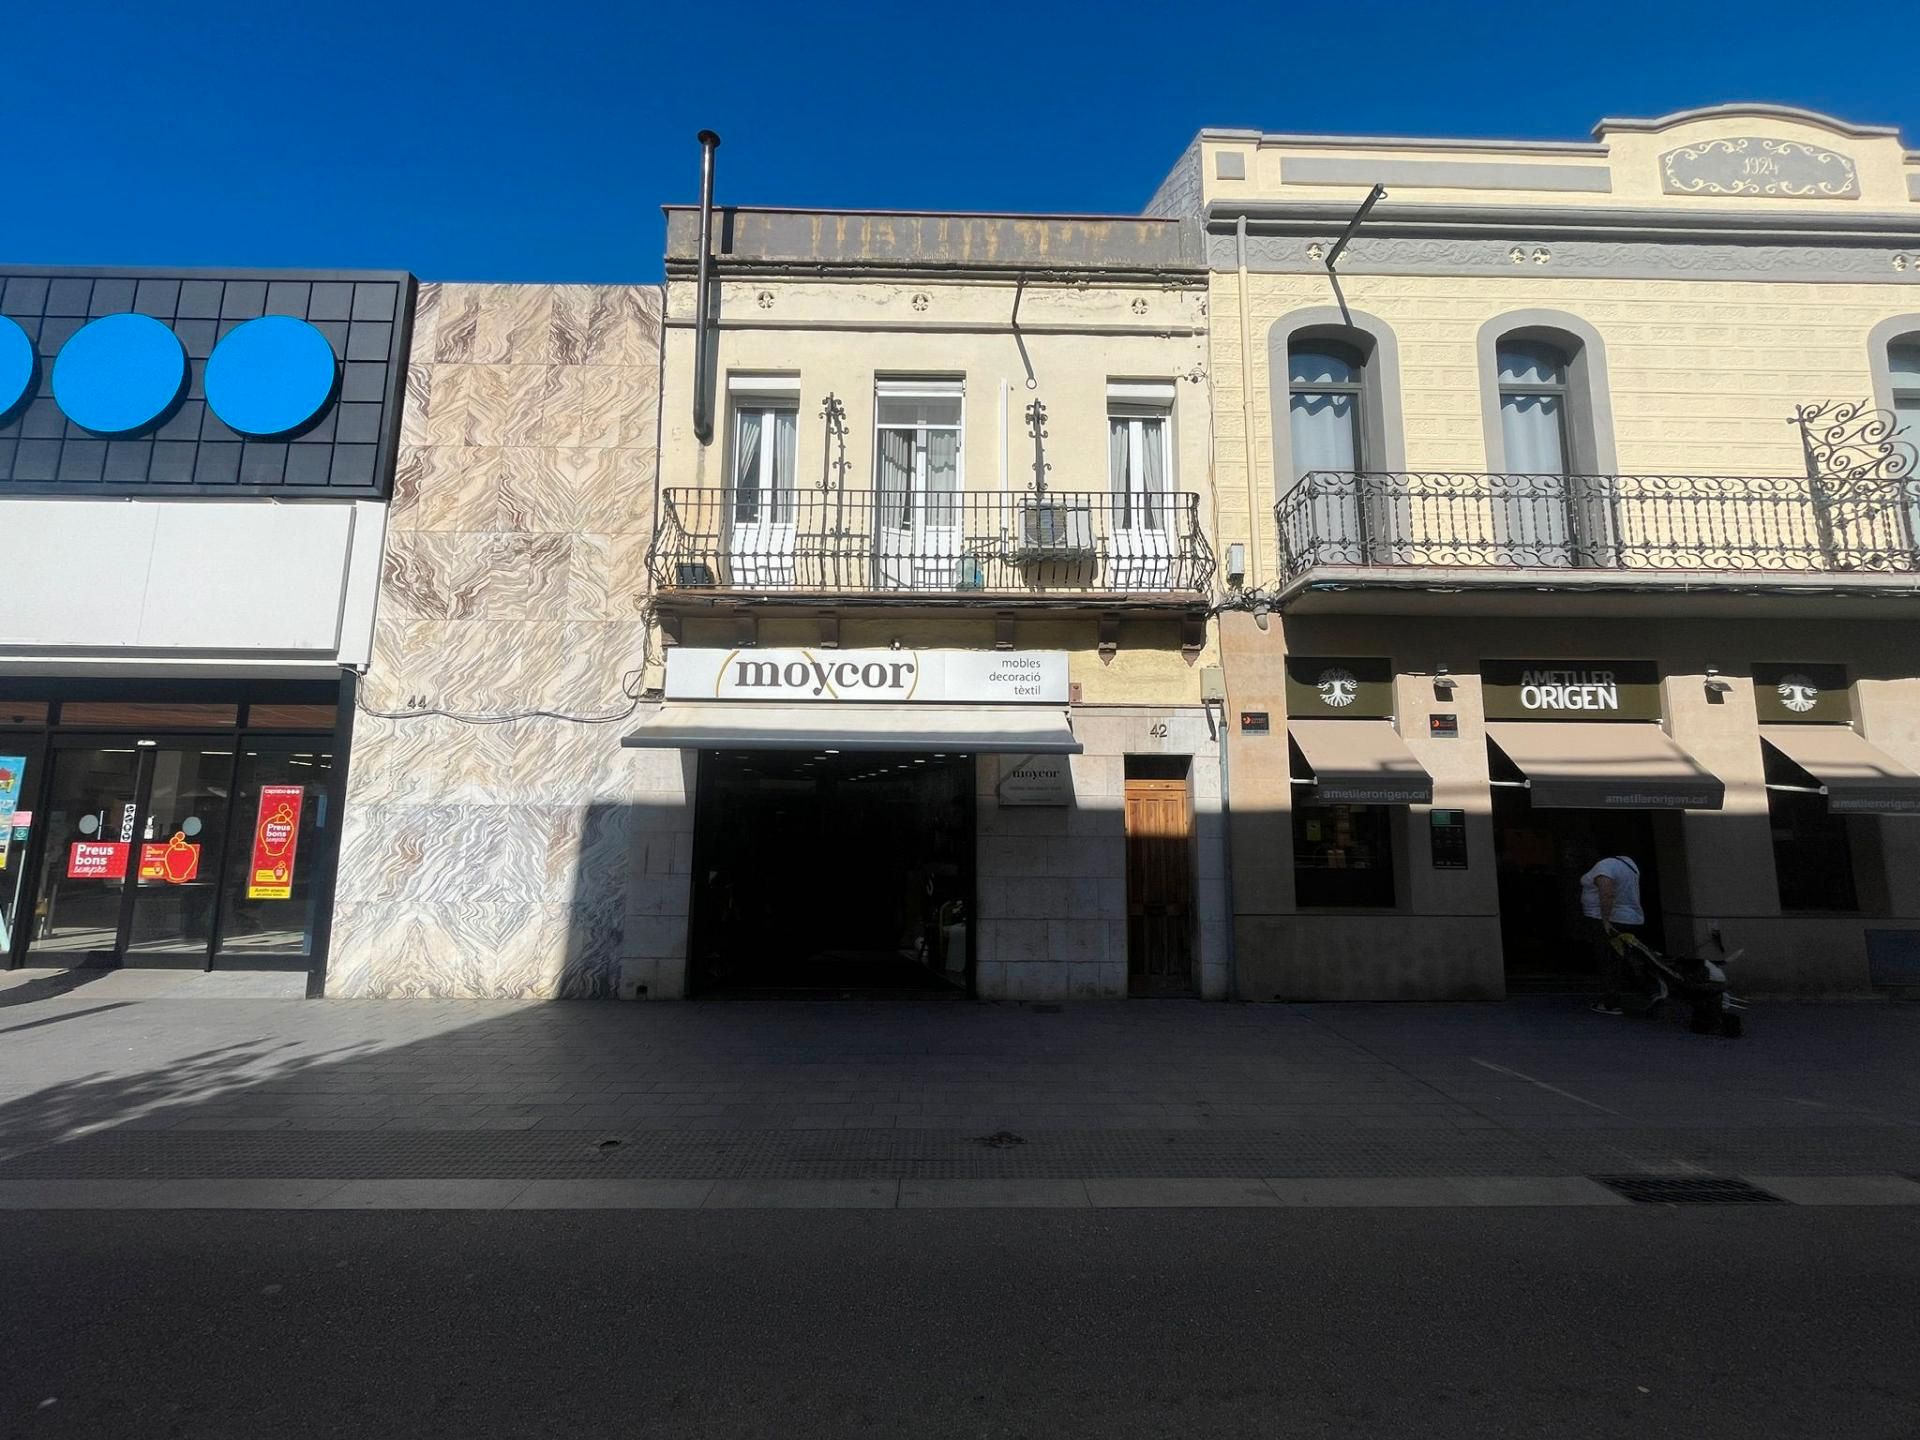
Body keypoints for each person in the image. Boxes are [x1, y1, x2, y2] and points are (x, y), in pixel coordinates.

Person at [1577, 849, 1658, 1015]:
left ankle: (1611, 1002)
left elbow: (1607, 893)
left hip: (1608, 920)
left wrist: (1606, 920)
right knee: (1628, 957)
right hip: (1630, 918)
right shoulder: (1629, 865)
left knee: (1609, 960)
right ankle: (1651, 990)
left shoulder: (1604, 866)